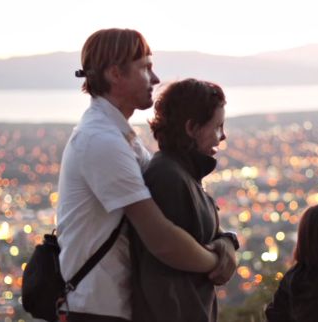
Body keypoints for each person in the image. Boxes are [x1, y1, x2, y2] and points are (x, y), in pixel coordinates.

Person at [56, 29, 236, 322]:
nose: (154, 79)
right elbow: (161, 238)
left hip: (111, 306)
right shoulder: (101, 141)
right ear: (116, 74)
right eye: (145, 67)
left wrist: (228, 240)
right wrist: (218, 260)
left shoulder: (122, 138)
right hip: (98, 309)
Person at [129, 78, 238, 322]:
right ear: (192, 128)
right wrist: (217, 258)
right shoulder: (168, 177)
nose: (222, 137)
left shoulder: (184, 174)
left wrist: (227, 240)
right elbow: (166, 273)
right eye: (217, 127)